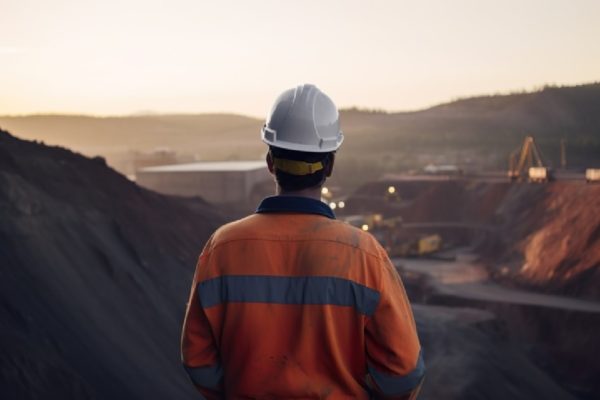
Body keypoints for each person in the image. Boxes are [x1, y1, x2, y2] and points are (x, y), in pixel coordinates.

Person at [181, 84, 425, 399]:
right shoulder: (364, 255)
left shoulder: (223, 248)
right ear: (330, 166)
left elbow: (197, 358)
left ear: (271, 162)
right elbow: (403, 372)